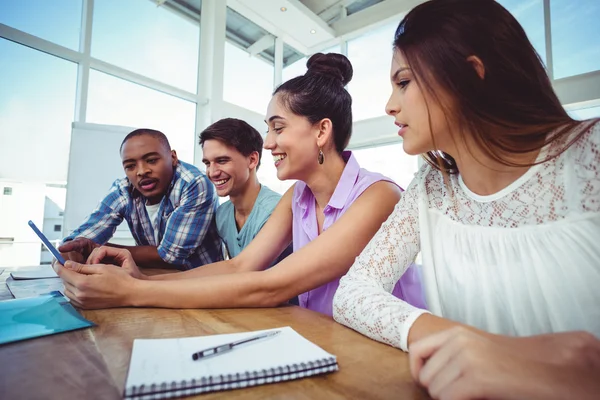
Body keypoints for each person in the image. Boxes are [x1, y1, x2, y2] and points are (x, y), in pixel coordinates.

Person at [332, 0, 600, 399]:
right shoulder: (431, 187)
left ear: (470, 75)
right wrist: (477, 347)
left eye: (403, 82)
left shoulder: (590, 156)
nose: (390, 104)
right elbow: (353, 292)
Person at [54, 53, 425, 316]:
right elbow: (241, 266)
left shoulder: (379, 196)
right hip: (327, 340)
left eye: (278, 128)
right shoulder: (299, 196)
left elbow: (274, 284)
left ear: (321, 131)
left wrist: (134, 292)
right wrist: (137, 276)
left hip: (385, 357)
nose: (267, 143)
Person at [58, 128, 223, 270]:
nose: (141, 171)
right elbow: (83, 238)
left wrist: (96, 249)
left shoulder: (194, 184)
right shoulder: (123, 189)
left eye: (151, 160)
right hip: (154, 277)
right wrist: (74, 248)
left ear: (173, 158)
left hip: (202, 282)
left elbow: (171, 256)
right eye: (130, 166)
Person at [199, 118, 292, 266]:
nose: (212, 172)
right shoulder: (222, 214)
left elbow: (249, 276)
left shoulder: (274, 211)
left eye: (222, 161)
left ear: (252, 160)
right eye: (207, 163)